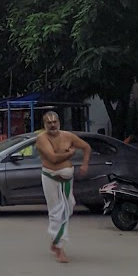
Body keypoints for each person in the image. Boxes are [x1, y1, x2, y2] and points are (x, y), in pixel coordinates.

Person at [35, 108, 90, 264]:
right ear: (44, 125)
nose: (52, 125)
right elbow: (53, 158)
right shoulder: (42, 138)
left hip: (66, 179)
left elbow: (86, 147)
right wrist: (70, 154)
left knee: (68, 207)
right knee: (56, 212)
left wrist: (85, 164)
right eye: (49, 123)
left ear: (59, 122)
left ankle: (56, 241)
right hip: (50, 177)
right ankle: (58, 246)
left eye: (55, 122)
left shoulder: (68, 136)